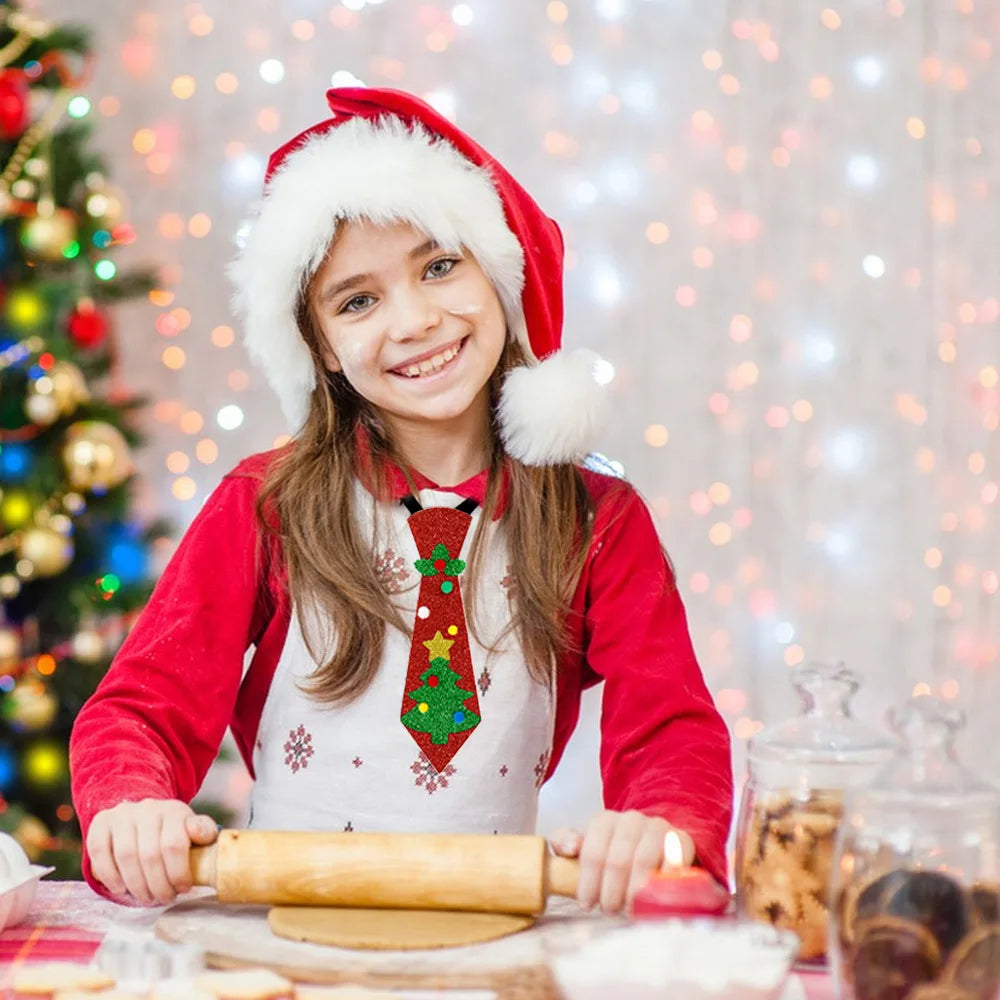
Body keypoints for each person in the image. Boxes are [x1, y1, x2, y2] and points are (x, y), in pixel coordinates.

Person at [70, 87, 733, 914]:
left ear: (498, 275)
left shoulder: (597, 520)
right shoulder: (262, 505)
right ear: (323, 350)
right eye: (358, 300)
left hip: (494, 937)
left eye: (439, 265)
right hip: (284, 931)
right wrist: (132, 805)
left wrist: (660, 825)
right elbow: (141, 710)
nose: (415, 320)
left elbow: (671, 729)